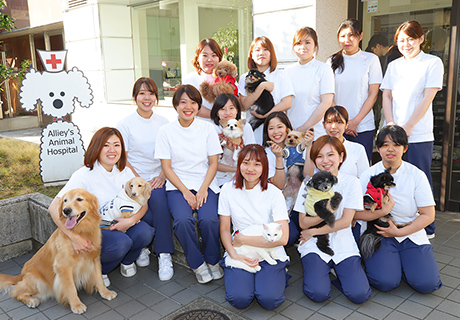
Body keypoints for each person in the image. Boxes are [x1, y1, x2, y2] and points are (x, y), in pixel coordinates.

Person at [48, 127, 155, 287]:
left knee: (146, 231)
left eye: (117, 145)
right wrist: (74, 238)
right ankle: (98, 271)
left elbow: (143, 203)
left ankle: (127, 261)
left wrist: (131, 221)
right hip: (96, 230)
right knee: (121, 243)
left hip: (120, 223)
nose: (112, 150)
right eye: (106, 145)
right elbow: (53, 207)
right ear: (97, 147)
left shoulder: (125, 171)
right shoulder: (84, 174)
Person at [355, 125, 442, 294]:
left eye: (396, 145)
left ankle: (403, 263)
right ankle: (394, 264)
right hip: (379, 233)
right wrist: (382, 212)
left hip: (410, 231)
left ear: (405, 148)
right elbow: (356, 213)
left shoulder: (416, 175)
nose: (390, 149)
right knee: (385, 282)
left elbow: (428, 215)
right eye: (385, 144)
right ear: (378, 148)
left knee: (427, 284)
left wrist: (400, 232)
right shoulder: (368, 175)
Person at [155, 84, 223, 284]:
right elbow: (167, 168)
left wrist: (202, 190)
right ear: (175, 105)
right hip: (177, 186)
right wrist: (185, 192)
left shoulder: (207, 128)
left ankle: (212, 260)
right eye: (183, 102)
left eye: (193, 102)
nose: (188, 106)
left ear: (198, 106)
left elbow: (213, 163)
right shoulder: (165, 131)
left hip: (206, 183)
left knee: (209, 220)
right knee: (182, 221)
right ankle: (197, 264)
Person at [381, 20, 443, 237]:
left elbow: (428, 97)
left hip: (418, 134)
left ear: (421, 39)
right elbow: (386, 95)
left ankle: (426, 227)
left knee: (419, 179)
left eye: (410, 39)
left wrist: (408, 126)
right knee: (392, 179)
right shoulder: (394, 65)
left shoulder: (432, 62)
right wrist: (390, 124)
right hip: (393, 133)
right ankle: (396, 221)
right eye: (401, 40)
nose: (406, 44)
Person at [293, 135, 371, 304]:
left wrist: (313, 230)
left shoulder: (352, 182)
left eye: (330, 155)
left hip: (342, 242)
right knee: (318, 294)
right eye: (319, 156)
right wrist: (325, 212)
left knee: (360, 295)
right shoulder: (308, 184)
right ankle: (321, 271)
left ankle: (336, 273)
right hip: (314, 244)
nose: (325, 160)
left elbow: (345, 222)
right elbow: (302, 222)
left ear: (341, 157)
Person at [219, 144, 289, 310]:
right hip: (242, 251)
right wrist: (233, 254)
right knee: (239, 299)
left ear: (264, 167)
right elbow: (224, 228)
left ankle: (278, 275)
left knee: (269, 300)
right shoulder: (228, 189)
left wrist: (243, 239)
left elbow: (284, 237)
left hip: (270, 249)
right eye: (246, 163)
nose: (250, 169)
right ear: (239, 164)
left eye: (257, 164)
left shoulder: (273, 192)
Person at [117, 77, 174, 281]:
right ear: (135, 98)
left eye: (151, 93)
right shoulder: (125, 124)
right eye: (142, 93)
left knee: (159, 201)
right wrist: (139, 180)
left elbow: (170, 155)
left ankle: (164, 253)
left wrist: (161, 176)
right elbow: (122, 157)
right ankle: (142, 246)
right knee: (141, 204)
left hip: (158, 177)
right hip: (133, 178)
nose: (146, 97)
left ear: (156, 98)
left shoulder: (165, 123)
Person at [328, 19, 382, 161]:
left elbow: (373, 95)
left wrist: (355, 121)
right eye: (343, 35)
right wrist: (343, 122)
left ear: (360, 36)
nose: (347, 40)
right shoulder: (331, 61)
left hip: (363, 127)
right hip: (337, 126)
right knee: (335, 166)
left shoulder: (371, 59)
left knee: (361, 169)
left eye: (351, 35)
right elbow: (328, 96)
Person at [238, 36, 294, 144]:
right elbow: (244, 105)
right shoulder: (245, 77)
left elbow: (287, 103)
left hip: (276, 131)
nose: (261, 53)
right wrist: (261, 87)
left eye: (265, 49)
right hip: (253, 129)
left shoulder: (281, 75)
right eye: (257, 50)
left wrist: (266, 116)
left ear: (271, 53)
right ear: (251, 55)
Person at [285, 27, 334, 138]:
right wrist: (290, 128)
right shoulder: (287, 71)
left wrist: (303, 128)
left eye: (307, 42)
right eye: (298, 43)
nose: (303, 47)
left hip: (314, 133)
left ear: (315, 46)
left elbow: (326, 103)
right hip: (291, 134)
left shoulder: (324, 69)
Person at [303, 106, 369, 178]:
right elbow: (308, 176)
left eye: (339, 122)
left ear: (346, 125)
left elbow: (364, 178)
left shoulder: (358, 149)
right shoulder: (314, 147)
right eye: (329, 122)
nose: (333, 126)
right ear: (323, 124)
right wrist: (309, 146)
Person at [210, 93, 256, 187]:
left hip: (242, 175)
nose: (227, 112)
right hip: (217, 177)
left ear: (237, 110)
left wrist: (233, 148)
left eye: (231, 108)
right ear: (216, 112)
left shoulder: (245, 127)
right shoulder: (212, 128)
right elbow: (211, 162)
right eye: (222, 109)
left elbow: (251, 154)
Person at [182, 38, 223, 119]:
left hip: (224, 127)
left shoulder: (226, 78)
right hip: (199, 127)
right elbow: (194, 106)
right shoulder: (190, 79)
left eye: (214, 55)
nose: (209, 59)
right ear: (197, 58)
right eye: (205, 55)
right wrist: (218, 116)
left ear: (219, 58)